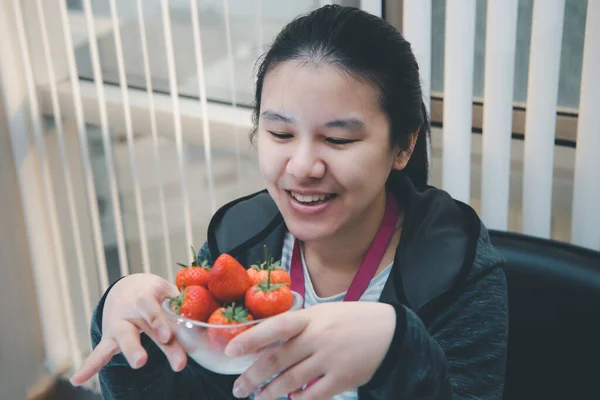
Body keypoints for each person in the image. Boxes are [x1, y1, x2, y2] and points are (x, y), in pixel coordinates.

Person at [70, 5, 508, 400]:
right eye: (280, 134)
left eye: (338, 139)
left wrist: (400, 352)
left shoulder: (458, 268)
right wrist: (131, 334)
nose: (301, 167)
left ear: (403, 146)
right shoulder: (236, 244)